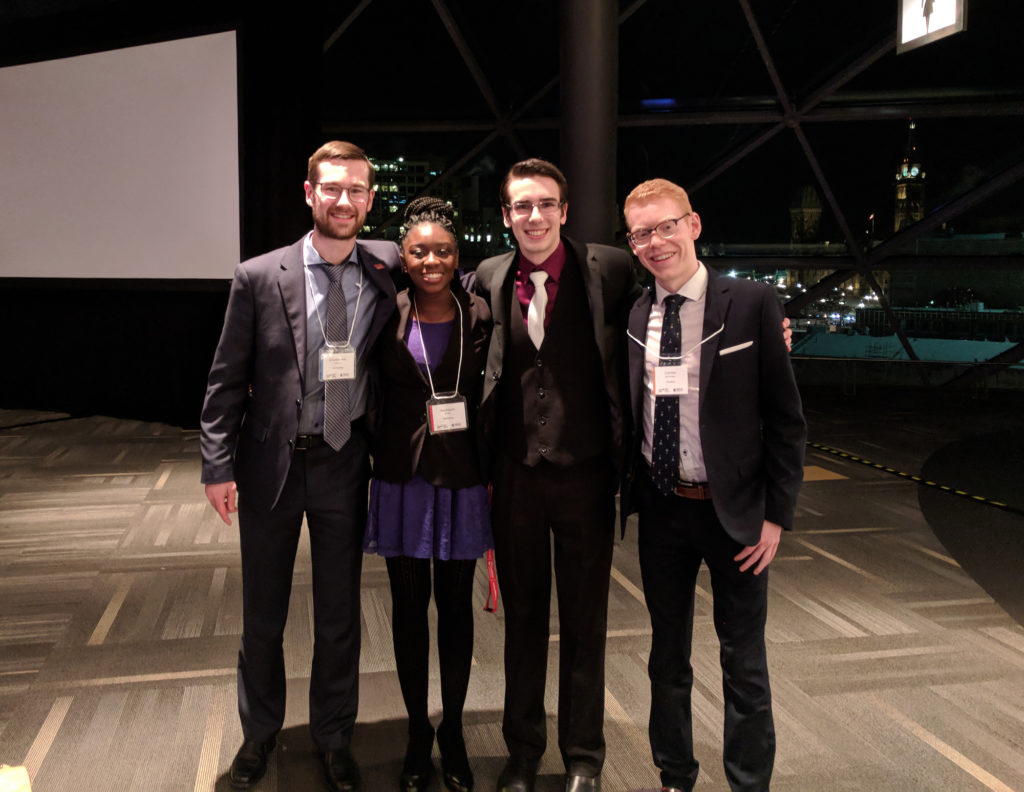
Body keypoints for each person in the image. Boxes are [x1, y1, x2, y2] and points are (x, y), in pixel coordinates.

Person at [200, 141, 399, 792]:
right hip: (270, 467)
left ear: (370, 200)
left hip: (345, 463)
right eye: (333, 189)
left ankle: (334, 738)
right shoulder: (260, 276)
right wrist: (216, 465)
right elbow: (225, 380)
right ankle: (259, 736)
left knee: (340, 616)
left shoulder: (387, 267)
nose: (346, 201)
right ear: (309, 193)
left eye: (358, 191)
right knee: (264, 615)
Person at [619, 178, 806, 792]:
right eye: (642, 233)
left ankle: (749, 782)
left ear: (693, 225)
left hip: (738, 514)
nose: (655, 241)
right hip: (664, 509)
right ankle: (675, 774)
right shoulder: (636, 314)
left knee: (743, 659)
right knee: (666, 655)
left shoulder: (751, 304)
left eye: (666, 226)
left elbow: (786, 420)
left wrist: (777, 517)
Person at [472, 159, 639, 792]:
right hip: (515, 476)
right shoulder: (489, 276)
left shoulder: (612, 270)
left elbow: (673, 304)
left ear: (564, 212)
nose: (534, 216)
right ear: (508, 215)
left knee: (585, 620)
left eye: (546, 204)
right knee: (523, 620)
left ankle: (584, 757)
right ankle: (522, 751)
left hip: (587, 476)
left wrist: (772, 325)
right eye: (522, 207)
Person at [363, 197, 492, 792]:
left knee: (457, 611)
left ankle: (456, 730)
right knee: (410, 611)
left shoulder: (481, 314)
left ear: (457, 256)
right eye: (419, 251)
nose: (431, 260)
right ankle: (418, 729)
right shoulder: (384, 312)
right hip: (403, 480)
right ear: (403, 257)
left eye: (442, 250)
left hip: (463, 478)